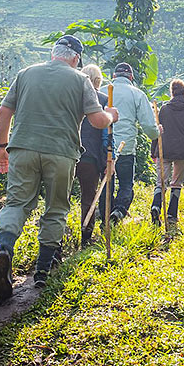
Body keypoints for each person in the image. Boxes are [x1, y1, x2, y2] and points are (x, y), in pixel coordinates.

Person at [0, 35, 118, 303]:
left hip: (22, 149)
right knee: (56, 208)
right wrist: (111, 115)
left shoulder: (26, 74)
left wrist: (1, 147)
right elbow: (97, 121)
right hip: (61, 154)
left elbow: (3, 113)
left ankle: (5, 250)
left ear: (53, 54)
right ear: (76, 59)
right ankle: (42, 272)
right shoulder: (80, 79)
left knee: (16, 204)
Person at [101, 62, 160, 225]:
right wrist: (157, 133)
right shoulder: (137, 94)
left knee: (106, 183)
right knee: (126, 184)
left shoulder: (102, 91)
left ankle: (104, 218)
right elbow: (148, 126)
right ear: (131, 77)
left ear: (114, 76)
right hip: (125, 147)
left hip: (104, 146)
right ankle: (118, 211)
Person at [150, 79, 184, 229]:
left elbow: (156, 131)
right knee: (176, 183)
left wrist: (153, 150)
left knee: (161, 182)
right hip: (181, 150)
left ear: (172, 93)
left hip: (164, 149)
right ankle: (172, 215)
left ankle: (156, 206)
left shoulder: (164, 109)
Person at [76, 64, 110, 248]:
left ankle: (55, 244)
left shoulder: (73, 96)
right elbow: (106, 136)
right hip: (91, 156)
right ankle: (86, 238)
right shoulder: (103, 100)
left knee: (60, 199)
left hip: (69, 153)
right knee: (89, 198)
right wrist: (107, 160)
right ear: (98, 81)